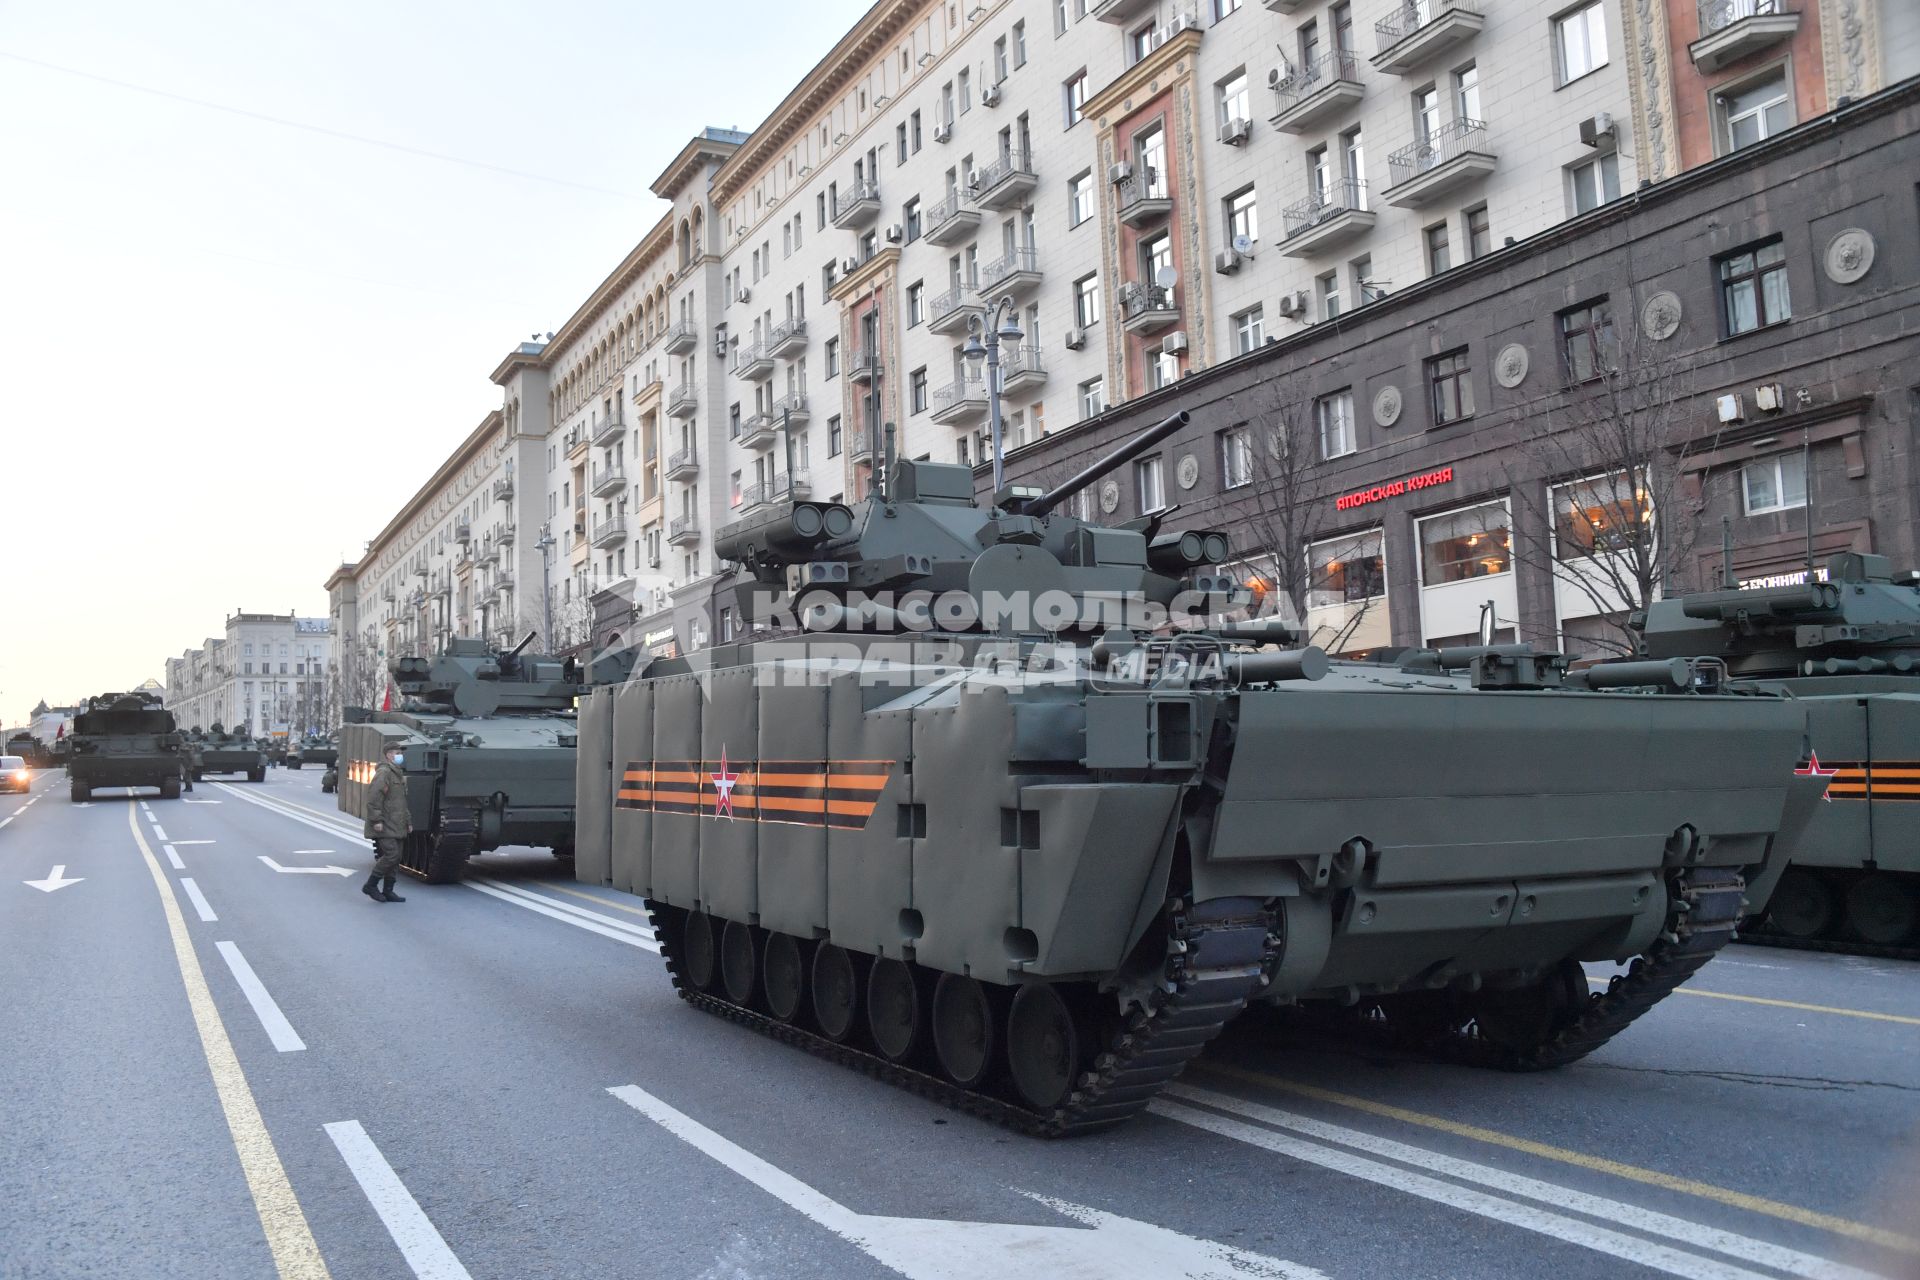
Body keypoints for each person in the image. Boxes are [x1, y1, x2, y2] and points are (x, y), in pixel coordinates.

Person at [362, 740, 410, 903]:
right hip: (385, 822)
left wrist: (408, 820)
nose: (400, 756)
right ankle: (370, 885)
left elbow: (401, 801)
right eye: (397, 753)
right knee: (391, 855)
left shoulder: (397, 772)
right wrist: (376, 819)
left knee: (396, 858)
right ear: (389, 755)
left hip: (397, 823)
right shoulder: (384, 772)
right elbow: (374, 797)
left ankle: (388, 890)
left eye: (400, 753)